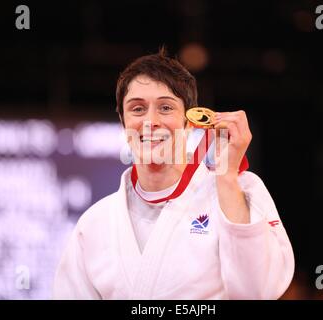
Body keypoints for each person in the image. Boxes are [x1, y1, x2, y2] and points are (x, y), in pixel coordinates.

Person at [52, 48, 294, 299]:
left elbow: (256, 292)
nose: (150, 121)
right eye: (137, 109)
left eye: (166, 108)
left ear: (190, 123)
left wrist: (227, 178)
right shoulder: (94, 223)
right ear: (124, 123)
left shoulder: (239, 190)